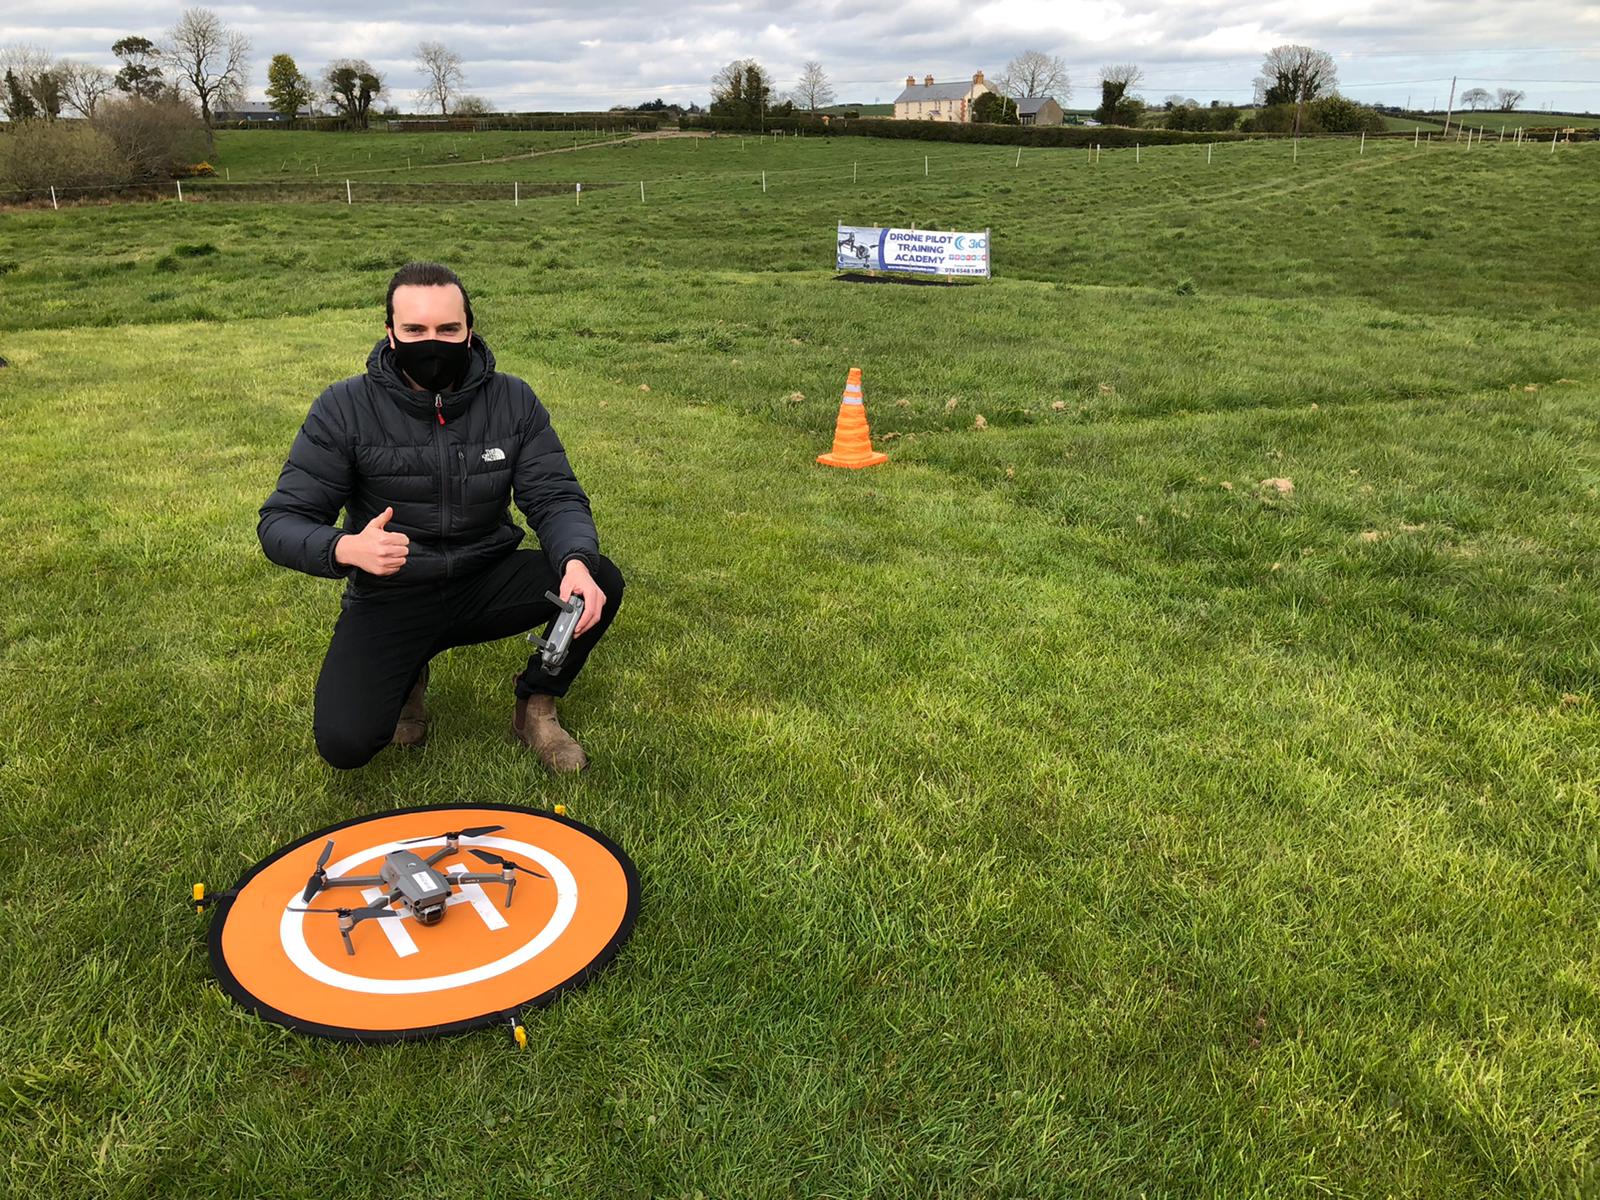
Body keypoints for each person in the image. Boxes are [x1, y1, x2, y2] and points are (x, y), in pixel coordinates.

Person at [258, 261, 623, 773]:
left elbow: (555, 495)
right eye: (415, 330)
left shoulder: (513, 399)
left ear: (468, 329)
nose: (433, 343)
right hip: (393, 591)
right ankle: (409, 678)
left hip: (484, 577)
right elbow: (280, 522)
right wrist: (346, 548)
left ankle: (536, 705)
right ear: (390, 334)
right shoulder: (343, 407)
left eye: (448, 330)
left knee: (598, 577)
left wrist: (577, 560)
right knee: (346, 743)